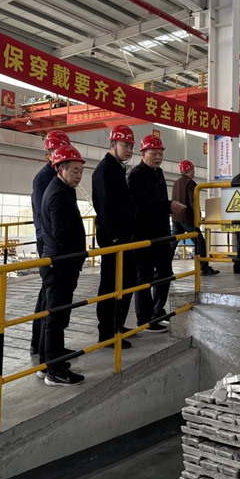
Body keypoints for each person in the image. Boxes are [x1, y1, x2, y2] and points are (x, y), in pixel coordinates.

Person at [39, 145, 88, 386]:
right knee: (56, 317)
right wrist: (78, 252)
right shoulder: (58, 194)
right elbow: (61, 233)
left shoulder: (62, 188)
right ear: (60, 169)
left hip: (60, 263)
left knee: (55, 315)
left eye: (81, 171)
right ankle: (54, 371)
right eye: (74, 171)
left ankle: (49, 360)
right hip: (60, 264)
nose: (78, 176)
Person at [128, 134, 186, 332]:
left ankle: (157, 311)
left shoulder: (158, 173)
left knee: (165, 273)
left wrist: (168, 208)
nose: (158, 157)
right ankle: (144, 319)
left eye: (160, 154)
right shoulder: (135, 175)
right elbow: (142, 202)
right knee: (143, 278)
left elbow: (159, 202)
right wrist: (168, 205)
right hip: (143, 234)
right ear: (143, 153)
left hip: (161, 233)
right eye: (154, 153)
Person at [92, 125, 137, 347]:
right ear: (112, 144)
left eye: (131, 146)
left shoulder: (117, 168)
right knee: (110, 283)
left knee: (126, 280)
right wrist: (115, 236)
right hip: (114, 238)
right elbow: (103, 205)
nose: (128, 150)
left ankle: (118, 325)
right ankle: (106, 331)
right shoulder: (104, 170)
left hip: (123, 236)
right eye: (125, 145)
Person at [30, 130, 72, 355]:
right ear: (48, 153)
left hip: (55, 243)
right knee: (49, 294)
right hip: (48, 243)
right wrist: (49, 247)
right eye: (57, 150)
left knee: (53, 295)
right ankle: (41, 346)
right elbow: (42, 216)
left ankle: (49, 346)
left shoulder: (60, 177)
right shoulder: (44, 179)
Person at [171, 160, 219, 276]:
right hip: (187, 218)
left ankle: (164, 268)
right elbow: (193, 201)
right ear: (188, 171)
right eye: (193, 170)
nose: (194, 173)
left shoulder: (176, 183)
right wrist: (198, 215)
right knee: (200, 242)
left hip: (176, 218)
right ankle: (204, 267)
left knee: (172, 244)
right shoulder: (190, 183)